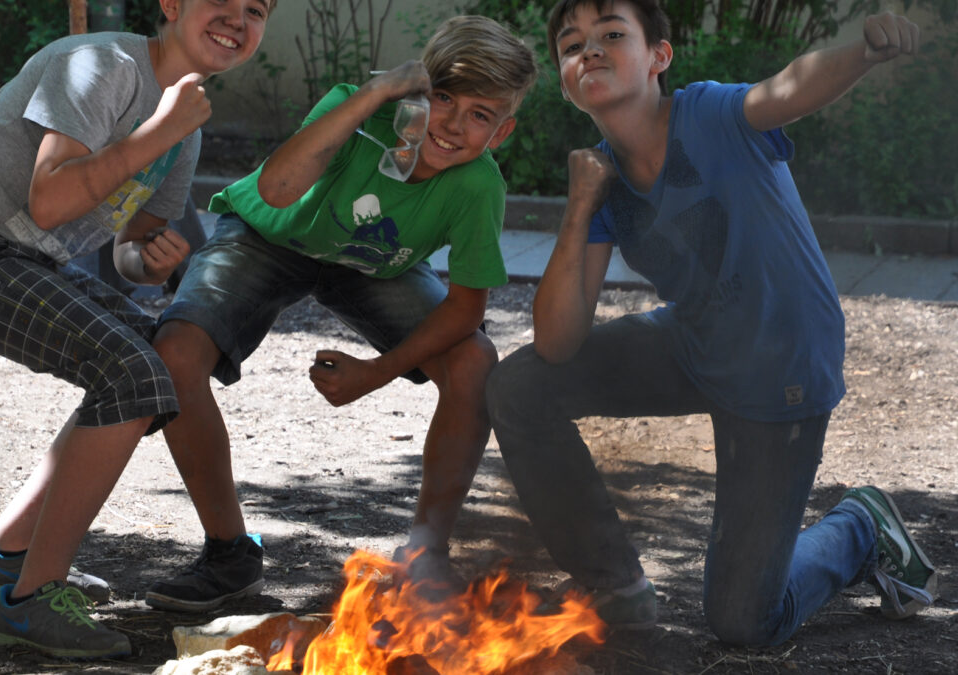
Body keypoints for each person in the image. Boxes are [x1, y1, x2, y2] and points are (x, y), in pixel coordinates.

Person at [486, 0, 936, 646]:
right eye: (572, 45)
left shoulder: (708, 114)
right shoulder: (602, 178)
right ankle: (615, 584)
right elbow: (557, 344)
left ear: (659, 56)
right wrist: (580, 205)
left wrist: (864, 52)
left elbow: (786, 90)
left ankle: (860, 527)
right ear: (564, 79)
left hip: (781, 365)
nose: (590, 50)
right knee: (520, 385)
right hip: (696, 343)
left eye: (612, 33)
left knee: (745, 621)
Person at [0, 0, 272, 658]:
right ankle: (30, 602)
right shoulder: (104, 65)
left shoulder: (185, 126)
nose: (237, 19)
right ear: (172, 4)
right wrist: (160, 129)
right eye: (222, 0)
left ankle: (1, 558)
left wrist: (153, 261)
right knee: (131, 374)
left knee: (157, 361)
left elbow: (130, 248)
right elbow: (50, 200)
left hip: (19, 257)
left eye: (257, 9)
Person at [145, 15, 538, 612]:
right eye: (443, 99)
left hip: (371, 264)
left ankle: (426, 555)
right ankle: (228, 553)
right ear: (415, 90)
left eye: (479, 115)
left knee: (474, 362)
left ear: (502, 132)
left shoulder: (478, 185)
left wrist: (375, 372)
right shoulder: (358, 109)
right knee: (174, 353)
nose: (454, 125)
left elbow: (466, 310)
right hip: (268, 236)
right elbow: (277, 190)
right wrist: (373, 95)